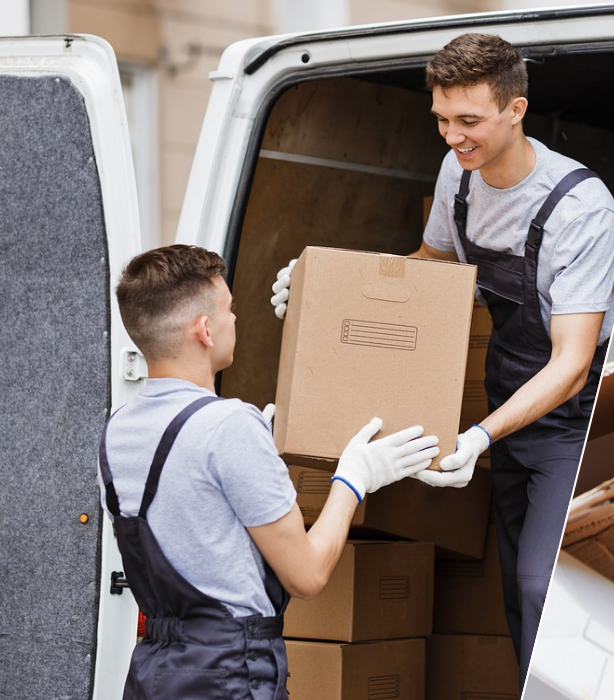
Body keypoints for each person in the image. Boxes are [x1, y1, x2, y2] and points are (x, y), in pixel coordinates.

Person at [271, 32, 614, 687]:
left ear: (516, 110)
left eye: (469, 121)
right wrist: (320, 289)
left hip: (577, 419)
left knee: (543, 587)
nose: (452, 136)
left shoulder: (580, 209)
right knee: (518, 595)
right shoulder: (457, 172)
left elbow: (572, 362)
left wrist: (479, 437)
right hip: (507, 400)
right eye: (440, 118)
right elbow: (429, 267)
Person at [100, 245, 439, 700]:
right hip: (228, 675)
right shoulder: (230, 427)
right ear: (204, 330)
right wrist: (354, 480)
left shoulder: (118, 428)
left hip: (155, 674)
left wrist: (256, 455)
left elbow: (198, 524)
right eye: (229, 310)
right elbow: (308, 575)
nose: (234, 320)